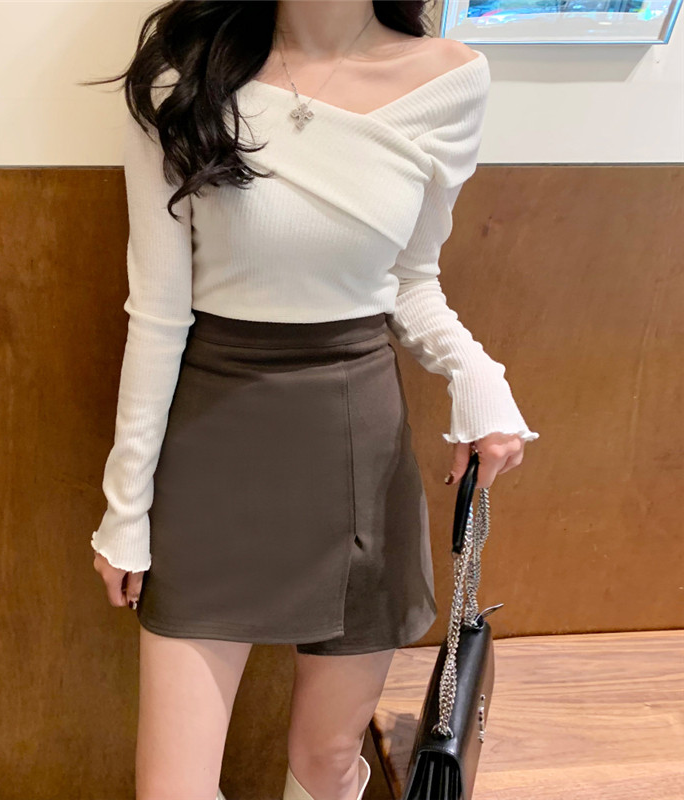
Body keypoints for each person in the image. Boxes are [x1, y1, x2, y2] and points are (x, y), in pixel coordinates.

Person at [88, 2, 539, 799]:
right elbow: (157, 312)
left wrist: (479, 379)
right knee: (171, 789)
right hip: (213, 445)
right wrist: (126, 509)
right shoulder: (184, 71)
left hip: (356, 443)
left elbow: (411, 279)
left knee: (326, 759)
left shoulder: (451, 80)